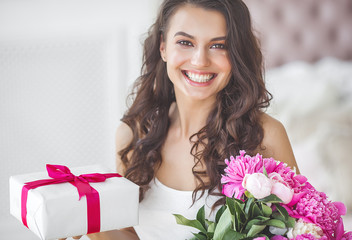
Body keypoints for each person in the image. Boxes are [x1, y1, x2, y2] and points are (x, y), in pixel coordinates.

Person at [65, 0, 298, 239]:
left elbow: (300, 229)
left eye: (218, 45)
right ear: (163, 47)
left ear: (236, 54)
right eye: (185, 42)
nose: (199, 60)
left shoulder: (265, 135)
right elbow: (128, 234)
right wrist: (85, 222)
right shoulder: (132, 135)